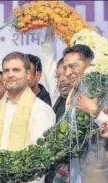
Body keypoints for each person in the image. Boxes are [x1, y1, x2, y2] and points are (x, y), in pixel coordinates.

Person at [0, 51, 56, 183]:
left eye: (16, 70)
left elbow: (39, 160)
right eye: (6, 71)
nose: (10, 75)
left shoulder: (41, 110)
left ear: (28, 75)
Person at [62, 44, 108, 183]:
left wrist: (95, 113)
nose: (68, 73)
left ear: (89, 65)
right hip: (75, 174)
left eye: (73, 66)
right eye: (65, 68)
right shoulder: (72, 95)